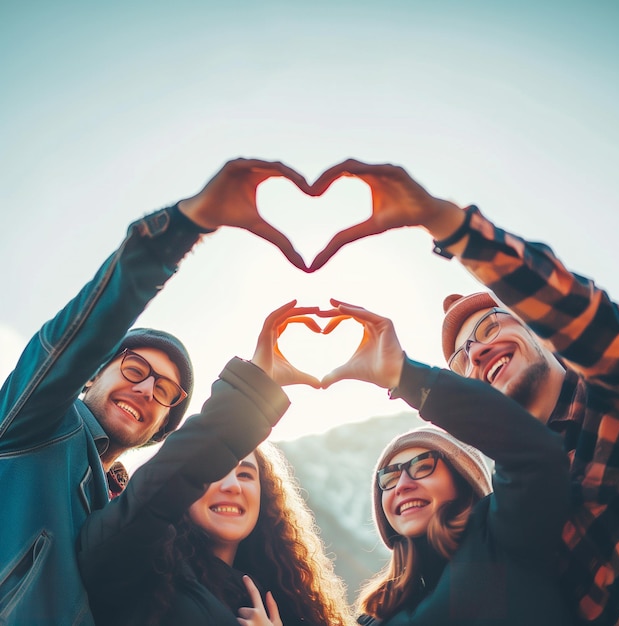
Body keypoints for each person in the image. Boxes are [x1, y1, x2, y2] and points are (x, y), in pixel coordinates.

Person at [306, 159, 619, 626]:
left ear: (540, 331)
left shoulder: (610, 396)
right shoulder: (514, 504)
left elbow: (590, 325)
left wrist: (448, 223)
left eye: (492, 324)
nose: (477, 352)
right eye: (461, 356)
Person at [0, 158, 313, 625]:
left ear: (164, 426)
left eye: (166, 390)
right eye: (134, 368)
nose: (146, 389)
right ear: (90, 374)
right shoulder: (40, 424)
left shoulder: (124, 518)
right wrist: (184, 227)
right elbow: (76, 334)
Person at [78, 302, 351, 626]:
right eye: (214, 472)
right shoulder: (141, 571)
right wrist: (253, 390)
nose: (232, 485)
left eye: (247, 475)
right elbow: (153, 495)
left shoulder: (290, 601)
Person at [316, 300, 574, 626]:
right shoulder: (375, 617)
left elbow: (533, 452)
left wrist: (404, 375)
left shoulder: (502, 535)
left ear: (462, 479)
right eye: (389, 478)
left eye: (423, 465)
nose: (404, 484)